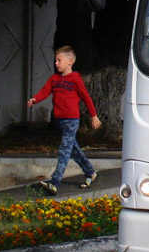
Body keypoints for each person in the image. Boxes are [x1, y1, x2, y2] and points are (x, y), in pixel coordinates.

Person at [27, 46, 103, 195]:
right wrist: (35, 99)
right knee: (72, 149)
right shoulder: (54, 79)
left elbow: (86, 98)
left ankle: (55, 182)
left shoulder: (75, 79)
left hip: (72, 120)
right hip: (60, 120)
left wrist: (94, 116)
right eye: (55, 60)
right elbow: (45, 90)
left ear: (70, 61)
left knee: (64, 150)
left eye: (59, 60)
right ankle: (90, 172)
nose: (56, 63)